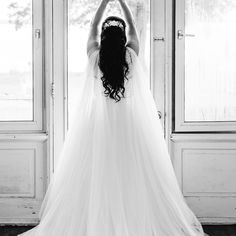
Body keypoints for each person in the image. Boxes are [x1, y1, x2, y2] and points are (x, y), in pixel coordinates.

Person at [19, 0, 209, 235]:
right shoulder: (132, 55)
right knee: (131, 174)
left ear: (103, 38)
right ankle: (132, 220)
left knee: (98, 174)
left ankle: (100, 221)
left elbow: (92, 26)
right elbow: (131, 25)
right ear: (122, 38)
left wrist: (105, 2)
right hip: (129, 125)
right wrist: (120, 3)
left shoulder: (94, 56)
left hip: (99, 125)